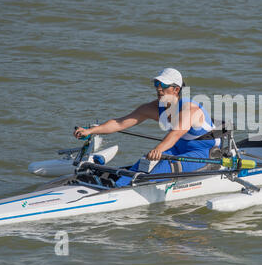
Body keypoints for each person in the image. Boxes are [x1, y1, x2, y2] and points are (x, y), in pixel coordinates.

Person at [73, 68, 220, 187]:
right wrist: (91, 131)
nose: (158, 89)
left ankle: (132, 189)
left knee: (165, 165)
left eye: (163, 85)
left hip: (203, 152)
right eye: (156, 84)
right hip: (178, 148)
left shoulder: (189, 109)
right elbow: (120, 123)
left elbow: (175, 134)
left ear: (176, 89)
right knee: (144, 162)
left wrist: (158, 150)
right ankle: (116, 185)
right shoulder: (153, 108)